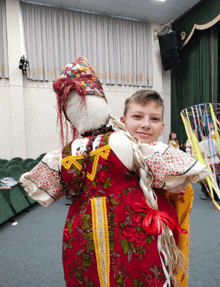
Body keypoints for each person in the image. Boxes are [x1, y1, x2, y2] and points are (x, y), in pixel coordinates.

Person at [20, 59, 209, 287]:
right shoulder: (118, 145)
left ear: (162, 126)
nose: (146, 125)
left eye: (154, 119)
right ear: (122, 121)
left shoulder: (149, 151)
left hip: (145, 232)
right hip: (93, 233)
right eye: (137, 117)